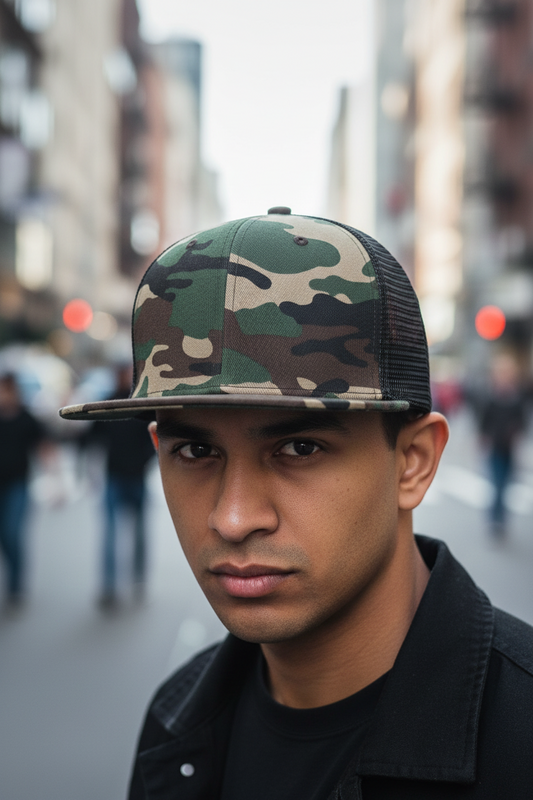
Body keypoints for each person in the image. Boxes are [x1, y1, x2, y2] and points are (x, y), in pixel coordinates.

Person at [60, 209, 533, 798]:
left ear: (413, 462)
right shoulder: (177, 722)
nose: (232, 519)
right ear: (158, 450)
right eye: (196, 451)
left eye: (300, 447)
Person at [83, 365, 155, 609]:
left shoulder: (142, 405)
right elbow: (91, 436)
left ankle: (137, 578)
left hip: (137, 476)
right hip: (114, 476)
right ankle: (109, 586)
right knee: (110, 535)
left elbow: (155, 436)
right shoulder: (108, 403)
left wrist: (146, 460)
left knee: (139, 534)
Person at [0, 372, 45, 606]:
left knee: (12, 532)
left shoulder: (26, 417)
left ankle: (16, 586)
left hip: (18, 484)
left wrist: (56, 478)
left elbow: (43, 446)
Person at [479, 353, 528, 537]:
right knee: (497, 483)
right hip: (495, 448)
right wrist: (483, 437)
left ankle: (501, 517)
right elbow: (484, 421)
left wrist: (516, 433)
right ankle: (495, 518)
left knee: (506, 484)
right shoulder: (491, 397)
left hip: (509, 449)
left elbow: (522, 422)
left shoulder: (516, 398)